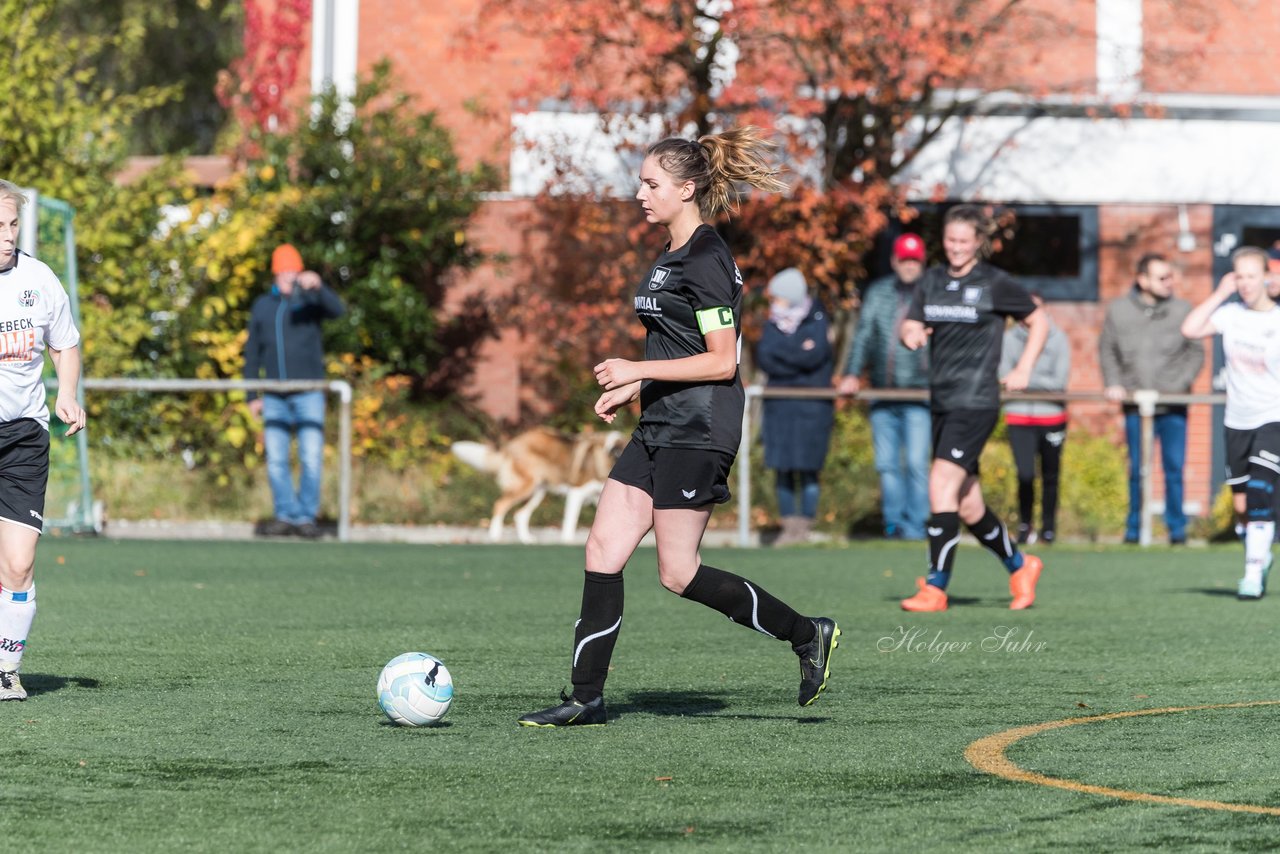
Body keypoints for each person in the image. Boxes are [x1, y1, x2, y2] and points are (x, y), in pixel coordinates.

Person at [518, 128, 839, 727]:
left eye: (651, 183)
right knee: (603, 549)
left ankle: (804, 633)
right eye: (641, 182)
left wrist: (638, 367)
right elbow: (682, 346)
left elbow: (723, 360)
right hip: (658, 421)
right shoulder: (670, 257)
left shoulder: (707, 257)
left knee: (677, 572)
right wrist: (636, 387)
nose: (640, 193)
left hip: (700, 428)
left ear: (686, 189)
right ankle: (585, 697)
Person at [897, 204, 1048, 612]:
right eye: (951, 241)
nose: (957, 248)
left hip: (977, 401)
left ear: (979, 242)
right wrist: (910, 332)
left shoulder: (996, 283)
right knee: (967, 504)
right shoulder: (931, 280)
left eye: (965, 241)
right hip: (942, 402)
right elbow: (912, 322)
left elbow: (1039, 321)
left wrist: (1024, 367)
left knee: (940, 484)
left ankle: (935, 586)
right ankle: (1021, 566)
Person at [0, 180, 87, 700]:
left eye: (11, 225)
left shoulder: (39, 279)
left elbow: (66, 344)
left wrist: (68, 393)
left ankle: (5, 669)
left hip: (24, 437)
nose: (6, 236)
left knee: (19, 563)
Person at [1180, 246, 1280, 598]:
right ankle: (1259, 553)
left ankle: (1252, 572)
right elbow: (1190, 329)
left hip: (1273, 418)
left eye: (1251, 276)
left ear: (1266, 277)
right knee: (1241, 505)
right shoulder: (1230, 314)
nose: (1245, 283)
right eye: (1239, 276)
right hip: (1237, 421)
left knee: (1260, 492)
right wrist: (1221, 292)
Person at [1099, 253, 1204, 544]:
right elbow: (1107, 350)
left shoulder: (1183, 310)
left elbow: (1196, 352)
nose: (1168, 282)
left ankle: (1177, 530)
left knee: (1173, 467)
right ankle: (1133, 530)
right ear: (1142, 280)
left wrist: (1179, 384)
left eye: (1170, 276)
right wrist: (1114, 383)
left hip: (1173, 405)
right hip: (1135, 403)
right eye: (1161, 277)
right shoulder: (1119, 311)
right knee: (1138, 469)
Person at [243, 244, 346, 539]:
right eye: (284, 271)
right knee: (276, 459)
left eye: (294, 271)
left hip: (309, 393)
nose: (289, 276)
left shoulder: (311, 302)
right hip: (274, 395)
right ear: (275, 274)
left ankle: (306, 518)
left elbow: (337, 311)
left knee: (310, 457)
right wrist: (252, 395)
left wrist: (320, 287)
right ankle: (284, 515)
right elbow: (252, 353)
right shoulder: (263, 306)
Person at [838, 233, 931, 540]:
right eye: (904, 259)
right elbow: (863, 336)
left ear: (922, 262)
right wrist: (852, 373)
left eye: (914, 260)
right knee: (887, 465)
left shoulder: (933, 293)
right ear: (894, 260)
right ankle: (894, 525)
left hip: (920, 394)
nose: (909, 265)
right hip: (882, 392)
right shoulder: (878, 293)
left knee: (917, 464)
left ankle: (917, 528)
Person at [756, 267, 835, 546]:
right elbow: (765, 357)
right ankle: (789, 526)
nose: (774, 302)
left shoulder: (817, 319)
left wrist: (785, 356)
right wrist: (797, 353)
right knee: (783, 469)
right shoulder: (772, 323)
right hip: (780, 408)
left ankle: (806, 526)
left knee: (809, 468)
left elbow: (814, 356)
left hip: (812, 409)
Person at [999, 291, 1071, 545]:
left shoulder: (1058, 339)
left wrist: (1024, 377)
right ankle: (1025, 525)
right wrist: (1020, 380)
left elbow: (1059, 382)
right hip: (1019, 415)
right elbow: (1004, 376)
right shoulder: (1009, 339)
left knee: (1051, 475)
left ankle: (1049, 529)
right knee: (1025, 475)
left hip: (1051, 416)